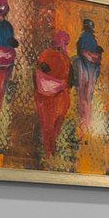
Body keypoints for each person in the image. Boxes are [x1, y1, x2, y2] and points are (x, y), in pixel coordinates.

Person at [33, 31, 72, 161]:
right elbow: (40, 75)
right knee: (51, 127)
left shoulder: (55, 56)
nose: (64, 45)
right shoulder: (57, 57)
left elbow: (39, 75)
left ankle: (49, 153)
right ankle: (49, 153)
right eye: (64, 43)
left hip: (53, 99)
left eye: (65, 43)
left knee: (49, 127)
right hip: (53, 99)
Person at [73, 17, 104, 136]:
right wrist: (96, 55)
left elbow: (88, 54)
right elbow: (84, 53)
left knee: (86, 97)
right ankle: (84, 125)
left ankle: (85, 125)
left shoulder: (89, 38)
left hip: (90, 69)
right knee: (85, 97)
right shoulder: (86, 37)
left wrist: (97, 53)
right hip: (86, 69)